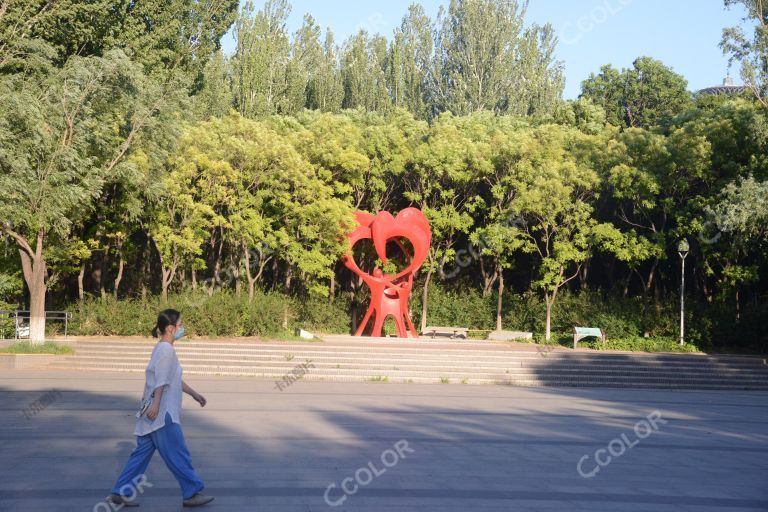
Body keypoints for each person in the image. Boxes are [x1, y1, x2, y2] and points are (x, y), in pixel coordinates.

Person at [106, 309, 214, 508]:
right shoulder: (166, 350)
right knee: (178, 453)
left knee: (140, 456)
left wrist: (194, 394)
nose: (183, 328)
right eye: (180, 325)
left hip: (152, 413)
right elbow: (161, 382)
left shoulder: (161, 348)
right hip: (162, 414)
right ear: (171, 329)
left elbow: (172, 379)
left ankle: (120, 492)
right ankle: (191, 492)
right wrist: (156, 405)